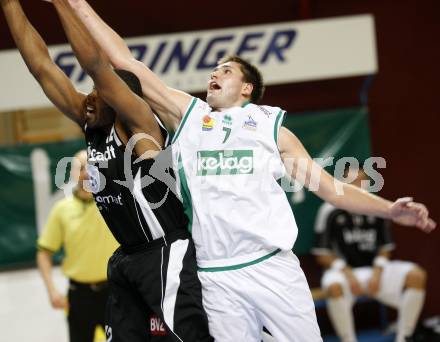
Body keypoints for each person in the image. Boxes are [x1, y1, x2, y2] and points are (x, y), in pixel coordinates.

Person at [66, 2, 436, 341]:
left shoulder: (271, 127)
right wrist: (75, 4)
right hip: (216, 275)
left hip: (272, 267)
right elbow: (124, 62)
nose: (214, 73)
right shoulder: (191, 117)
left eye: (225, 70)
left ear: (246, 88)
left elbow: (330, 188)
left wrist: (389, 209)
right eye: (213, 70)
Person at [1, 1, 212, 341]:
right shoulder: (93, 124)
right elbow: (41, 67)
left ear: (119, 98)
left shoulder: (139, 125)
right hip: (126, 259)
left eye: (97, 93)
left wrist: (59, 4)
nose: (87, 99)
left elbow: (97, 64)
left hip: (164, 252)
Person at [313, 168, 427, 342]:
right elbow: (322, 254)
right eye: (352, 181)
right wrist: (347, 272)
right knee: (333, 286)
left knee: (416, 276)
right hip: (343, 272)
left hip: (375, 270)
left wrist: (378, 271)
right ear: (340, 184)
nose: (358, 185)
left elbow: (385, 247)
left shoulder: (376, 205)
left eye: (361, 180)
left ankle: (404, 337)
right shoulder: (328, 210)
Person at [37, 149, 119, 342]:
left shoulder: (114, 203)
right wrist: (51, 291)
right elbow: (44, 252)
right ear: (73, 173)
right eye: (80, 168)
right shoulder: (61, 210)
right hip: (79, 296)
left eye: (90, 167)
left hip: (114, 291)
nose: (86, 172)